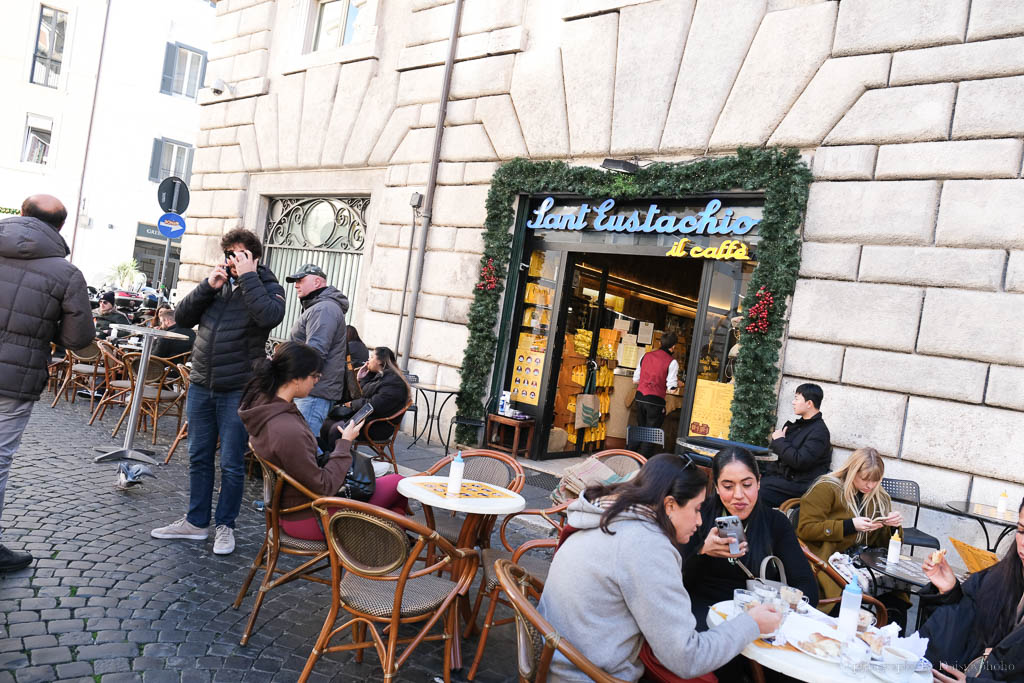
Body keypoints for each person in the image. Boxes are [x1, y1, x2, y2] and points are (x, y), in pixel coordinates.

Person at [537, 454, 781, 682]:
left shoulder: (607, 516)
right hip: (588, 675)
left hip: (555, 661)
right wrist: (752, 624)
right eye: (696, 509)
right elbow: (688, 658)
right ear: (670, 505)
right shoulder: (646, 544)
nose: (699, 521)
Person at [151, 228, 285, 555]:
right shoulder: (218, 285)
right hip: (201, 383)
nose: (232, 261)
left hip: (237, 387)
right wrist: (206, 287)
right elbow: (181, 318)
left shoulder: (267, 287)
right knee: (198, 455)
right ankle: (196, 523)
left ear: (253, 257)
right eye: (229, 255)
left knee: (231, 462)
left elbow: (269, 316)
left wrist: (249, 277)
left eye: (239, 255)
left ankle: (226, 525)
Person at [0, 194, 94, 571]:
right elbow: (77, 339)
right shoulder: (66, 273)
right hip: (15, 380)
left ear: (21, 214)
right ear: (59, 227)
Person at [238, 342, 409, 541]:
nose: (317, 381)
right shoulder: (286, 428)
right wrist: (345, 442)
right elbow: (324, 486)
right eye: (315, 376)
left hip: (296, 508)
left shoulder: (268, 408)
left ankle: (372, 555)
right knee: (398, 486)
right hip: (310, 516)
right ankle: (373, 556)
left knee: (395, 506)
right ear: (296, 379)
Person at [683, 447, 819, 623]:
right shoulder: (698, 516)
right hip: (700, 614)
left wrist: (775, 607)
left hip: (758, 619)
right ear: (716, 486)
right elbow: (672, 580)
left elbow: (807, 588)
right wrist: (701, 551)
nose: (738, 495)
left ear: (759, 482)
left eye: (747, 485)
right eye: (728, 486)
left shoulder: (775, 522)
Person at [796, 447, 908, 626]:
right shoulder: (827, 488)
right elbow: (806, 528)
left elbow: (885, 544)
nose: (870, 486)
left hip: (862, 560)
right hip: (826, 560)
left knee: (896, 595)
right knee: (848, 592)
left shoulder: (879, 497)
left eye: (876, 480)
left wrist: (892, 527)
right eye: (865, 479)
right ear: (852, 471)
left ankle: (887, 641)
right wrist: (850, 525)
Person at [919, 499, 1024, 683]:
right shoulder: (996, 578)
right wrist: (950, 592)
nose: (1023, 542)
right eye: (1021, 530)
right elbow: (957, 637)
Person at [285, 263, 349, 439]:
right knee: (303, 442)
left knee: (303, 443)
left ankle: (343, 466)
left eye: (300, 280)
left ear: (318, 282)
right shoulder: (319, 307)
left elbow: (315, 352)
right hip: (311, 389)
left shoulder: (324, 309)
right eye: (295, 281)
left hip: (313, 391)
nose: (296, 285)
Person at [321, 346, 411, 451]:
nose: (368, 360)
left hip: (377, 426)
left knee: (336, 429)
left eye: (372, 357)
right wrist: (361, 378)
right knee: (326, 424)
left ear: (381, 361)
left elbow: (373, 405)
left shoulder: (394, 383)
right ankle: (326, 459)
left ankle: (338, 461)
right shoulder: (377, 375)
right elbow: (363, 394)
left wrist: (351, 404)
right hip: (365, 419)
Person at [759, 383, 831, 509]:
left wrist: (780, 440)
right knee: (747, 484)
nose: (793, 402)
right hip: (784, 481)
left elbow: (800, 461)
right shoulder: (801, 426)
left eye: (797, 398)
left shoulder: (819, 432)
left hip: (800, 486)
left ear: (809, 403)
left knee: (757, 491)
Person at [631, 331, 678, 456]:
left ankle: (630, 456)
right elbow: (672, 388)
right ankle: (641, 463)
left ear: (660, 343)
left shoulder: (645, 356)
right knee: (650, 433)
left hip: (640, 397)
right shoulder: (672, 362)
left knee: (641, 428)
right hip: (655, 401)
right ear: (673, 346)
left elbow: (635, 380)